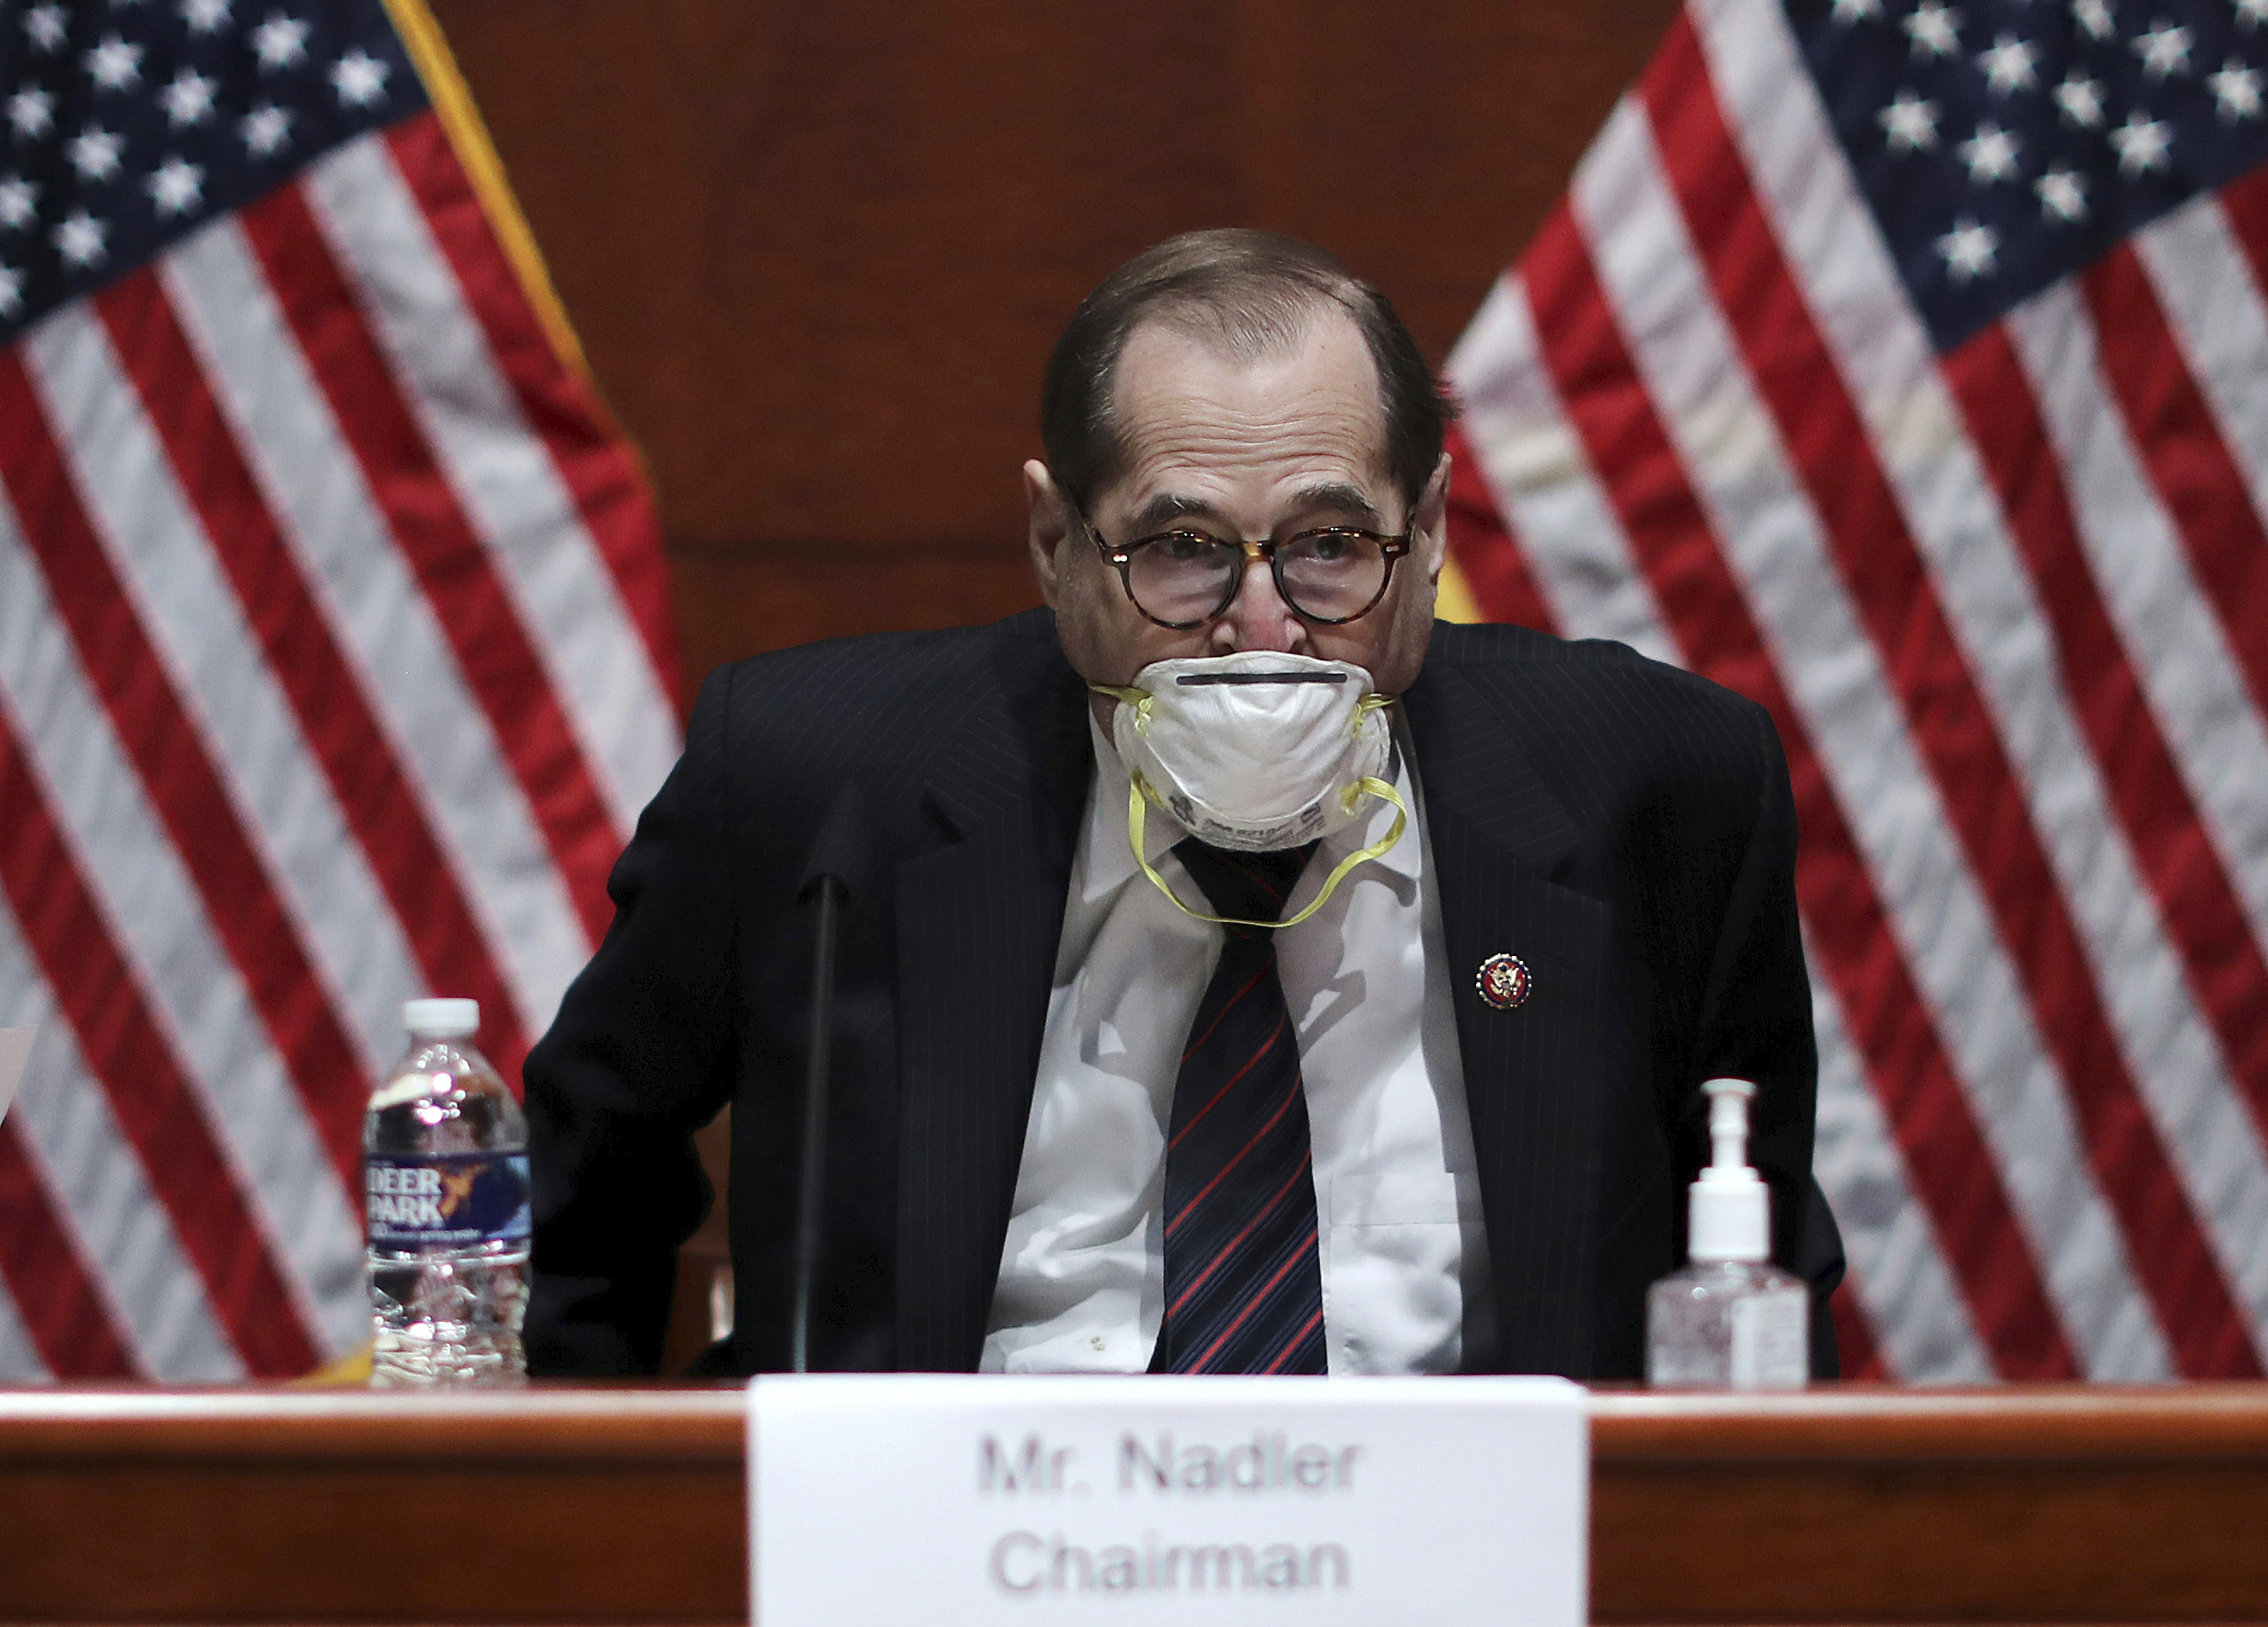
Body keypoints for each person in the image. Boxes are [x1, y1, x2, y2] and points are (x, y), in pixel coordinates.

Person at [526, 229, 1844, 1378]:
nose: (1258, 626)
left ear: (1428, 533)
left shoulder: (1657, 784)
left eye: (1330, 546)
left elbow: (1762, 1259)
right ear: (1055, 544)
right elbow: (579, 1191)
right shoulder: (813, 779)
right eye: (1183, 549)